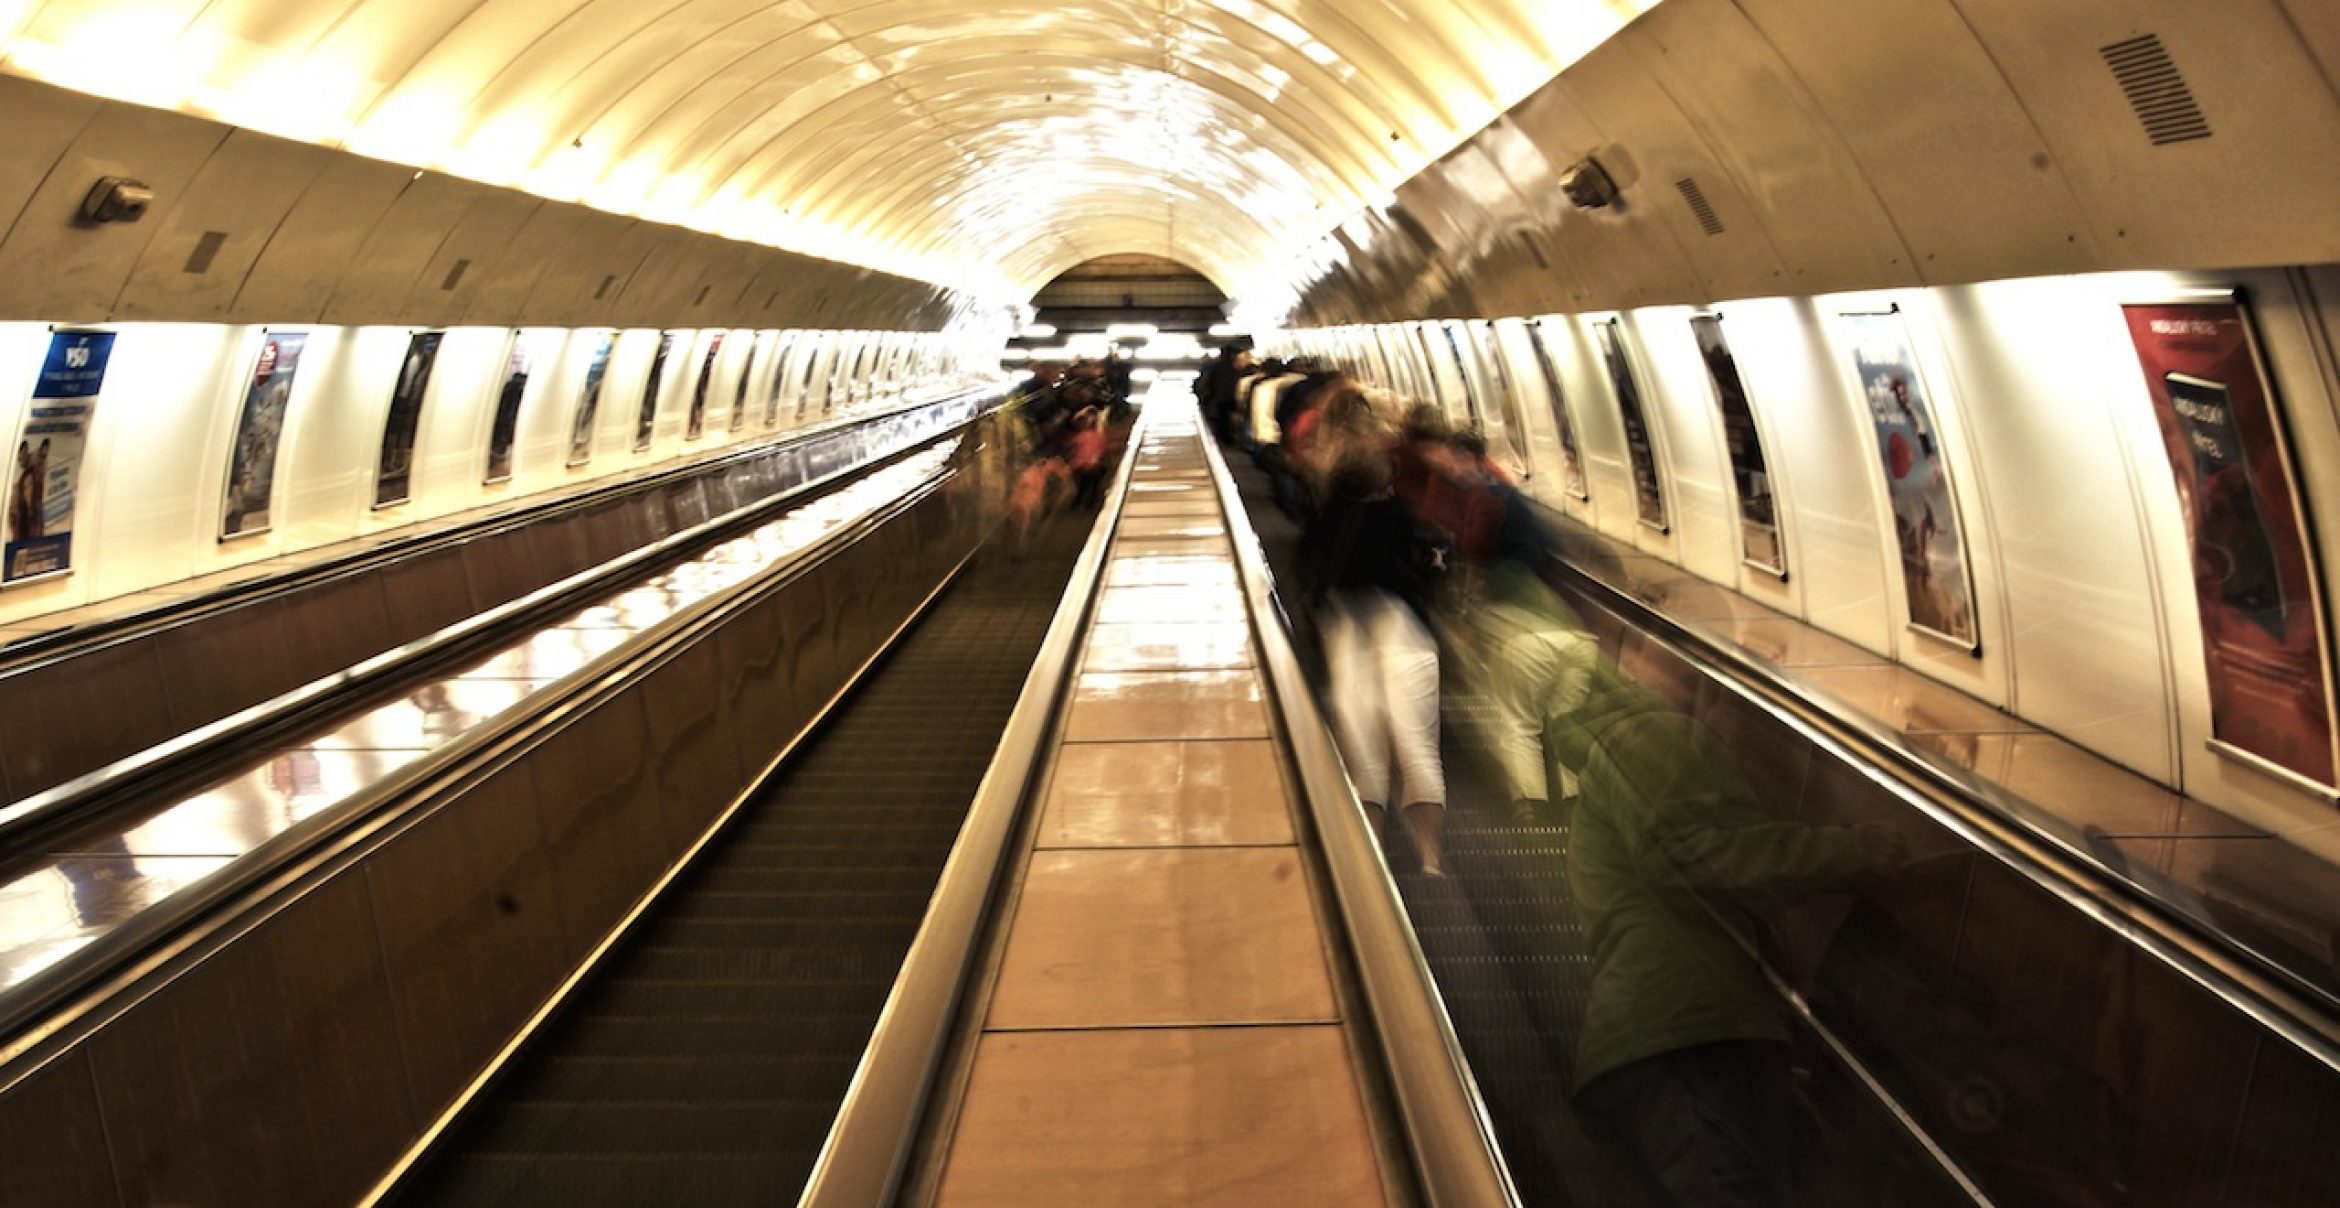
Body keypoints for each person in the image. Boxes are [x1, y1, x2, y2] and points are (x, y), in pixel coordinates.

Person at [1555, 652, 1907, 1207]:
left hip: (1658, 1040)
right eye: (1671, 658)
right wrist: (1850, 849)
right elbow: (1686, 855)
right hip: (1689, 1036)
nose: (1691, 677)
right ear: (1629, 662)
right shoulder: (1653, 733)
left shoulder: (1636, 746)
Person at [1301, 425, 1449, 876]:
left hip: (1347, 633)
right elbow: (1434, 562)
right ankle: (1431, 860)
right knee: (1417, 744)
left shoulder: (1323, 523)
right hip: (1403, 631)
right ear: (1381, 480)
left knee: (1363, 752)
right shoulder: (1400, 515)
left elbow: (1307, 577)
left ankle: (1373, 864)